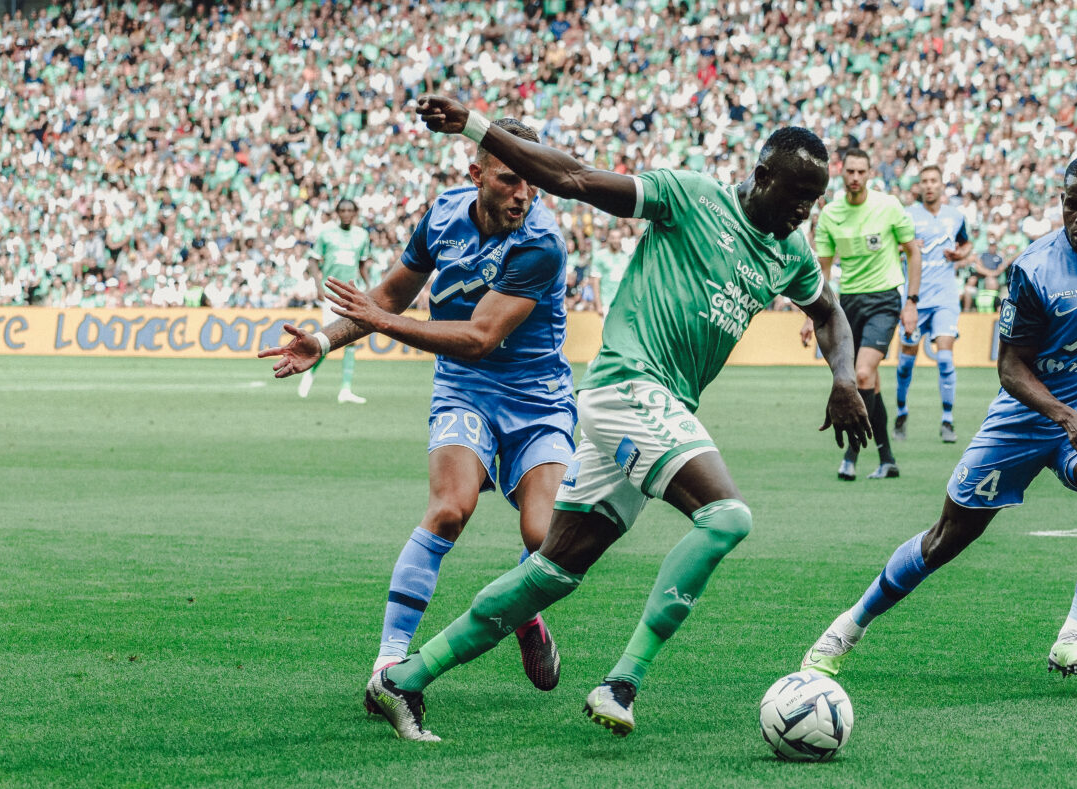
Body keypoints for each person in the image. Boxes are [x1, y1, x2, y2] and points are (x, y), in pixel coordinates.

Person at [363, 94, 872, 741]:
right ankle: (622, 680)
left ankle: (403, 679)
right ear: (763, 176)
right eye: (799, 193)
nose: (806, 210)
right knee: (726, 517)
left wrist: (842, 376)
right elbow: (574, 178)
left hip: (656, 410)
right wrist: (474, 125)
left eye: (815, 199)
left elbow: (827, 312)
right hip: (628, 386)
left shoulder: (789, 251)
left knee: (552, 571)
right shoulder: (690, 197)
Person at [800, 153, 1077, 686]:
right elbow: (1009, 365)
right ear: (1062, 202)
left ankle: (1074, 633)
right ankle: (847, 627)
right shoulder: (1036, 268)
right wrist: (1061, 414)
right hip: (1022, 422)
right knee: (945, 540)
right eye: (1073, 206)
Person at [259, 119, 573, 714]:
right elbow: (391, 297)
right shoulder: (443, 216)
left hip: (537, 398)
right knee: (450, 509)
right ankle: (388, 664)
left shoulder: (541, 242)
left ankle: (523, 610)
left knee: (545, 537)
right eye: (510, 179)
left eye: (533, 183)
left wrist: (380, 324)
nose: (524, 194)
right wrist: (323, 342)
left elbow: (480, 336)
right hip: (465, 391)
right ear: (475, 174)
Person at [801, 148, 921, 480]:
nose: (855, 177)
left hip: (884, 299)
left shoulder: (888, 206)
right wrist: (811, 316)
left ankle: (851, 455)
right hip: (847, 304)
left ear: (869, 174)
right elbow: (822, 272)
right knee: (872, 384)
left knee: (862, 375)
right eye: (850, 171)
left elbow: (913, 252)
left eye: (861, 172)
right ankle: (887, 458)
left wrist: (911, 301)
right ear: (842, 173)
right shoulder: (830, 215)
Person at [894, 165, 972, 445]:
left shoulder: (955, 216)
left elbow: (967, 244)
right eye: (924, 181)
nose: (929, 186)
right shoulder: (908, 216)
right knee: (905, 363)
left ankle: (947, 420)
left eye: (933, 181)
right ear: (919, 186)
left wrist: (959, 254)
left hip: (945, 298)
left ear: (941, 185)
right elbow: (895, 248)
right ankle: (901, 413)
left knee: (945, 358)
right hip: (914, 298)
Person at [300, 199, 373, 403]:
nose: (346, 213)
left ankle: (345, 390)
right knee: (328, 340)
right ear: (337, 213)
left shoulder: (362, 235)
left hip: (351, 294)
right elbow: (313, 260)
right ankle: (310, 372)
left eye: (350, 210)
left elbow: (362, 265)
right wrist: (317, 285)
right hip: (331, 293)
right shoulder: (326, 234)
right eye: (343, 210)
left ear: (355, 213)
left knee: (351, 341)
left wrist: (368, 286)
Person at [590, 225, 632, 315]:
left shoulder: (626, 257)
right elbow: (595, 282)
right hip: (606, 304)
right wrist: (598, 305)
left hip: (623, 305)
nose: (616, 241)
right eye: (613, 238)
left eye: (618, 238)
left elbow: (629, 282)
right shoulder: (599, 256)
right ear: (608, 238)